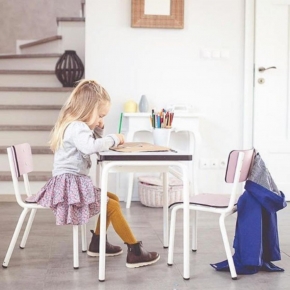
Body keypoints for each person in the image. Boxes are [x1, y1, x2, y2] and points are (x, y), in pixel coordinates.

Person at [26, 79, 160, 268]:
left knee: (110, 198)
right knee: (112, 205)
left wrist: (98, 129)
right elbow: (90, 147)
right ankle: (135, 250)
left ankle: (97, 243)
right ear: (88, 108)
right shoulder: (77, 127)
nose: (101, 120)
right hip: (69, 184)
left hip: (68, 182)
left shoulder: (74, 125)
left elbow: (88, 143)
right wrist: (114, 138)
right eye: (100, 115)